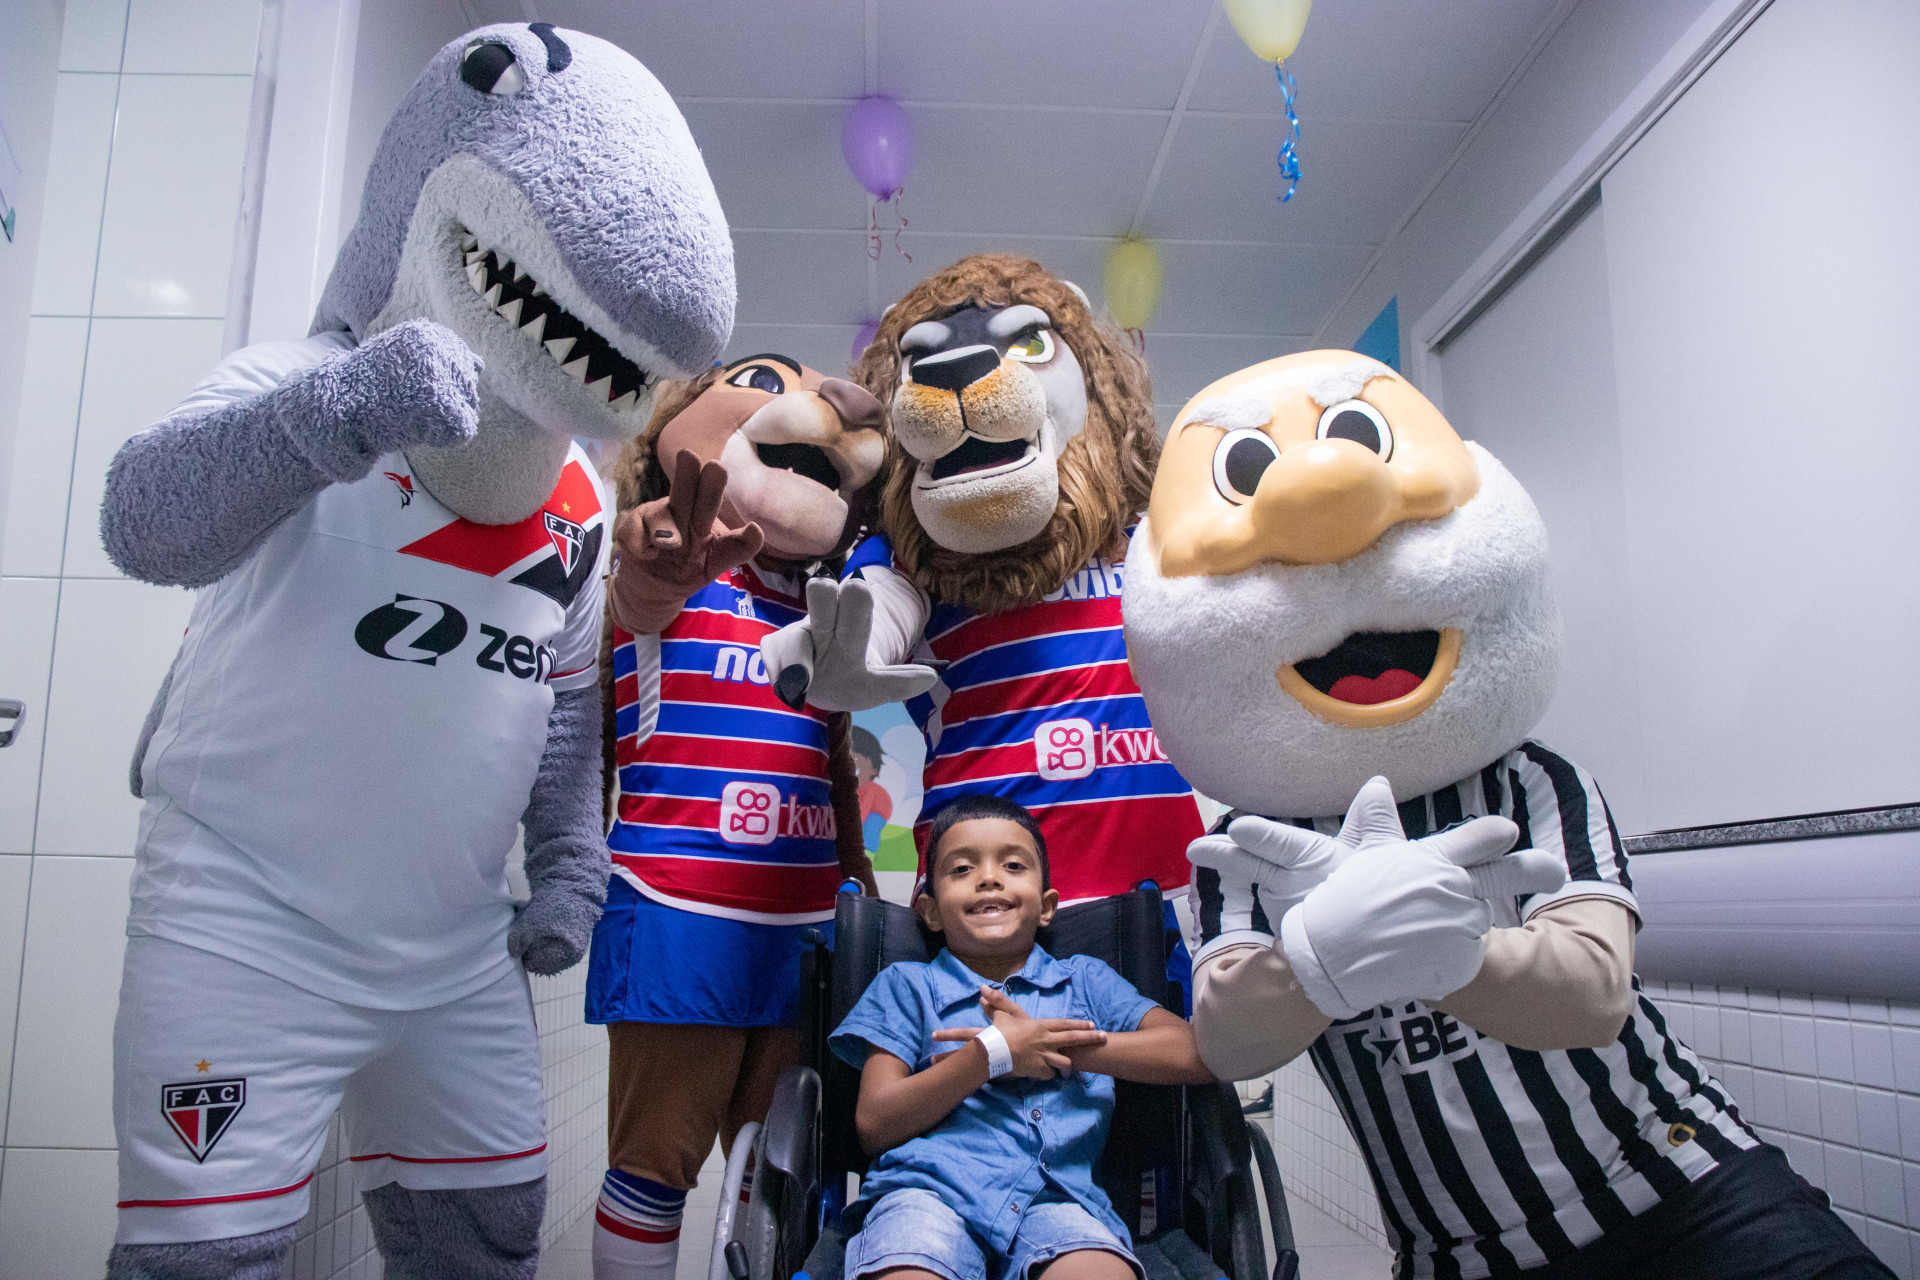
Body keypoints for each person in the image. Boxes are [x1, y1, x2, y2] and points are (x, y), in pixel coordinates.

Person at [829, 795, 1215, 1280]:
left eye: (1013, 865)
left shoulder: (1085, 982)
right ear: (930, 911)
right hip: (926, 1196)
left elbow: (1196, 1054)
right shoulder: (906, 986)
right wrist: (991, 1055)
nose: (989, 878)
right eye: (962, 869)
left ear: (1047, 906)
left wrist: (1054, 1046)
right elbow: (874, 1124)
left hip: (1059, 1201)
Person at [851, 725, 893, 852]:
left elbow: (862, 812)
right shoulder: (854, 789)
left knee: (869, 830)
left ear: (873, 770)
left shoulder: (871, 790)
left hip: (878, 811)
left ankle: (867, 852)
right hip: (863, 811)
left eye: (857, 762)